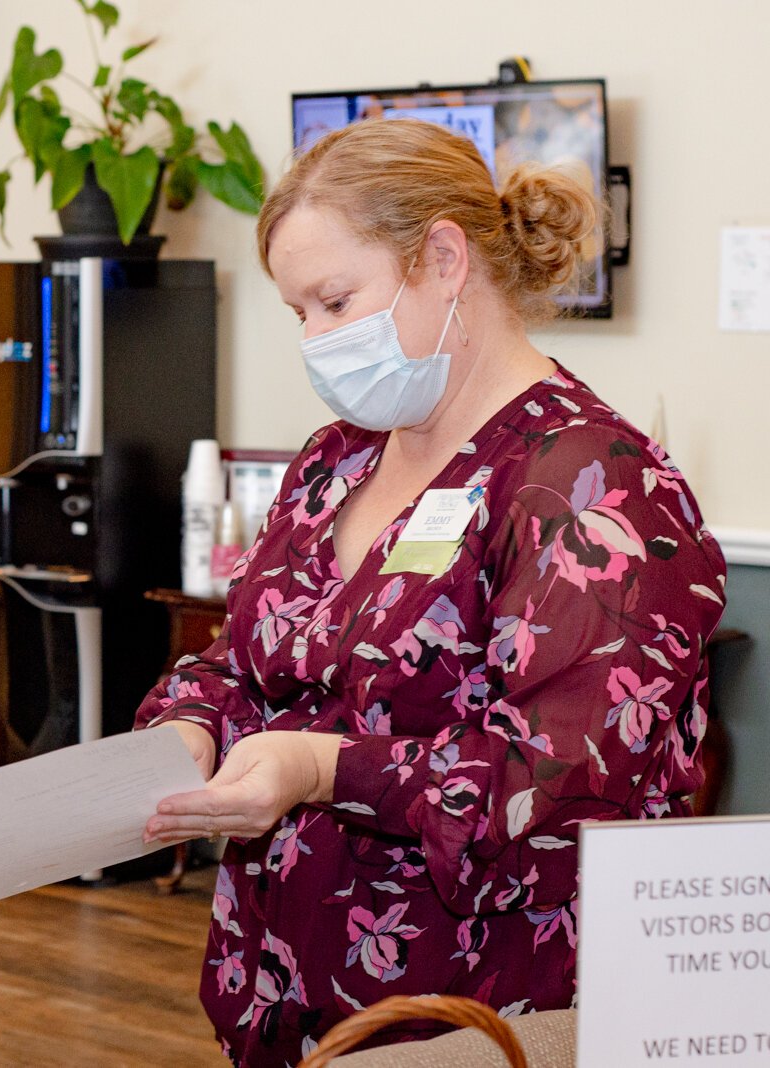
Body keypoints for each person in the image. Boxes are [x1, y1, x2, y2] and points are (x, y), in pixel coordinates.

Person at [137, 119, 725, 1066]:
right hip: (286, 992)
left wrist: (326, 769)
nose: (318, 341)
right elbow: (248, 654)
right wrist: (191, 724)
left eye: (336, 301)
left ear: (445, 257)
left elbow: (562, 791)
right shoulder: (338, 461)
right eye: (301, 315)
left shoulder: (592, 486)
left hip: (479, 1012)